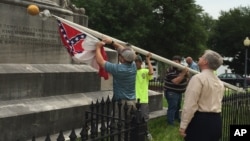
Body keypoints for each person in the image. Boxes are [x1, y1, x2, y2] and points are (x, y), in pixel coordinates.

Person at [179, 50, 224, 141]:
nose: (199, 58)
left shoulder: (198, 79)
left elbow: (190, 104)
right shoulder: (220, 82)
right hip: (216, 121)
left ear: (205, 62)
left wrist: (183, 125)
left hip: (200, 122)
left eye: (202, 57)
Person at [164, 55, 189, 125]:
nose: (174, 63)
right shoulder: (170, 70)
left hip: (179, 92)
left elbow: (187, 77)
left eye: (176, 62)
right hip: (171, 92)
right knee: (172, 107)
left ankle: (176, 118)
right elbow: (176, 81)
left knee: (178, 106)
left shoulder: (181, 68)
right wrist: (183, 73)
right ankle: (170, 122)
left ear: (180, 62)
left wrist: (185, 73)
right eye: (173, 61)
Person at [135, 53, 154, 140]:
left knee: (144, 118)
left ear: (140, 62)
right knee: (133, 118)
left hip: (143, 99)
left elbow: (151, 72)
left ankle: (146, 133)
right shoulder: (131, 71)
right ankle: (135, 133)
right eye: (134, 61)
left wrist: (148, 60)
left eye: (137, 62)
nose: (135, 63)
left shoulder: (144, 71)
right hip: (133, 99)